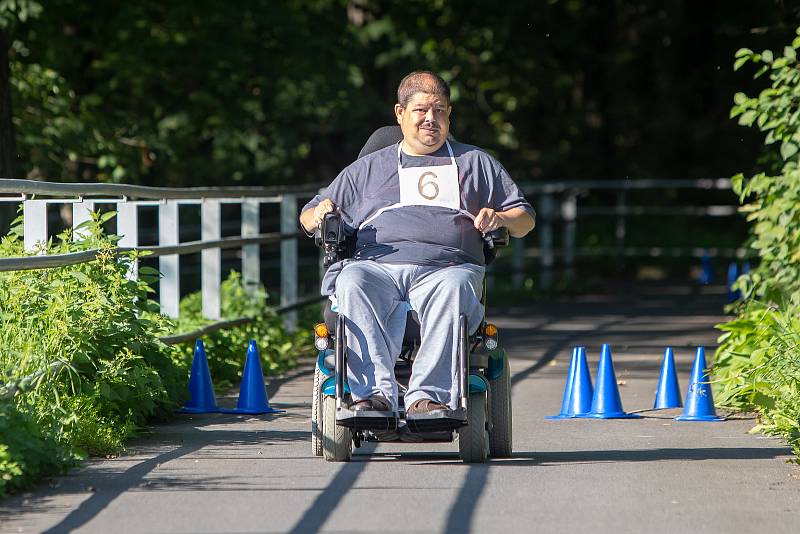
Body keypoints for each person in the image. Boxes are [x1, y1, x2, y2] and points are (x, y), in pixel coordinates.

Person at [300, 71, 535, 417]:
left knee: (454, 286)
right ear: (400, 113)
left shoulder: (475, 163)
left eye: (439, 111)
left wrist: (501, 219)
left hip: (448, 268)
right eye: (421, 110)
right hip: (377, 268)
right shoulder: (368, 168)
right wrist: (321, 211)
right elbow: (307, 216)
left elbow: (525, 220)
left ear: (449, 114)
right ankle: (372, 396)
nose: (431, 119)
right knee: (350, 280)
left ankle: (427, 397)